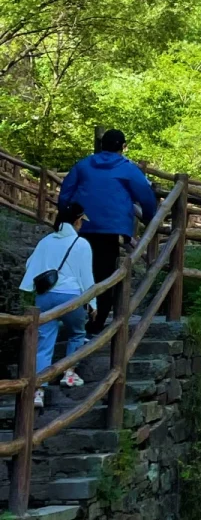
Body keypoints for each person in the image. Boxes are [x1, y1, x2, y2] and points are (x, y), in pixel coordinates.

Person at [57, 129, 159, 336]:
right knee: (104, 274)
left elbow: (66, 191)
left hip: (81, 226)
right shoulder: (127, 169)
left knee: (80, 272)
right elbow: (146, 196)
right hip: (111, 228)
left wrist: (66, 216)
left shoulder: (84, 164)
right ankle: (96, 323)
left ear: (102, 145)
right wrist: (150, 216)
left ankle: (74, 319)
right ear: (123, 146)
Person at [20, 201, 96, 408]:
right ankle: (69, 373)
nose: (82, 224)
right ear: (77, 221)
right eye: (81, 220)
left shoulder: (45, 241)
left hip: (45, 297)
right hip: (71, 297)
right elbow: (86, 277)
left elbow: (30, 265)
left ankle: (38, 391)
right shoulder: (81, 244)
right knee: (77, 333)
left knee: (44, 342)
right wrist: (93, 302)